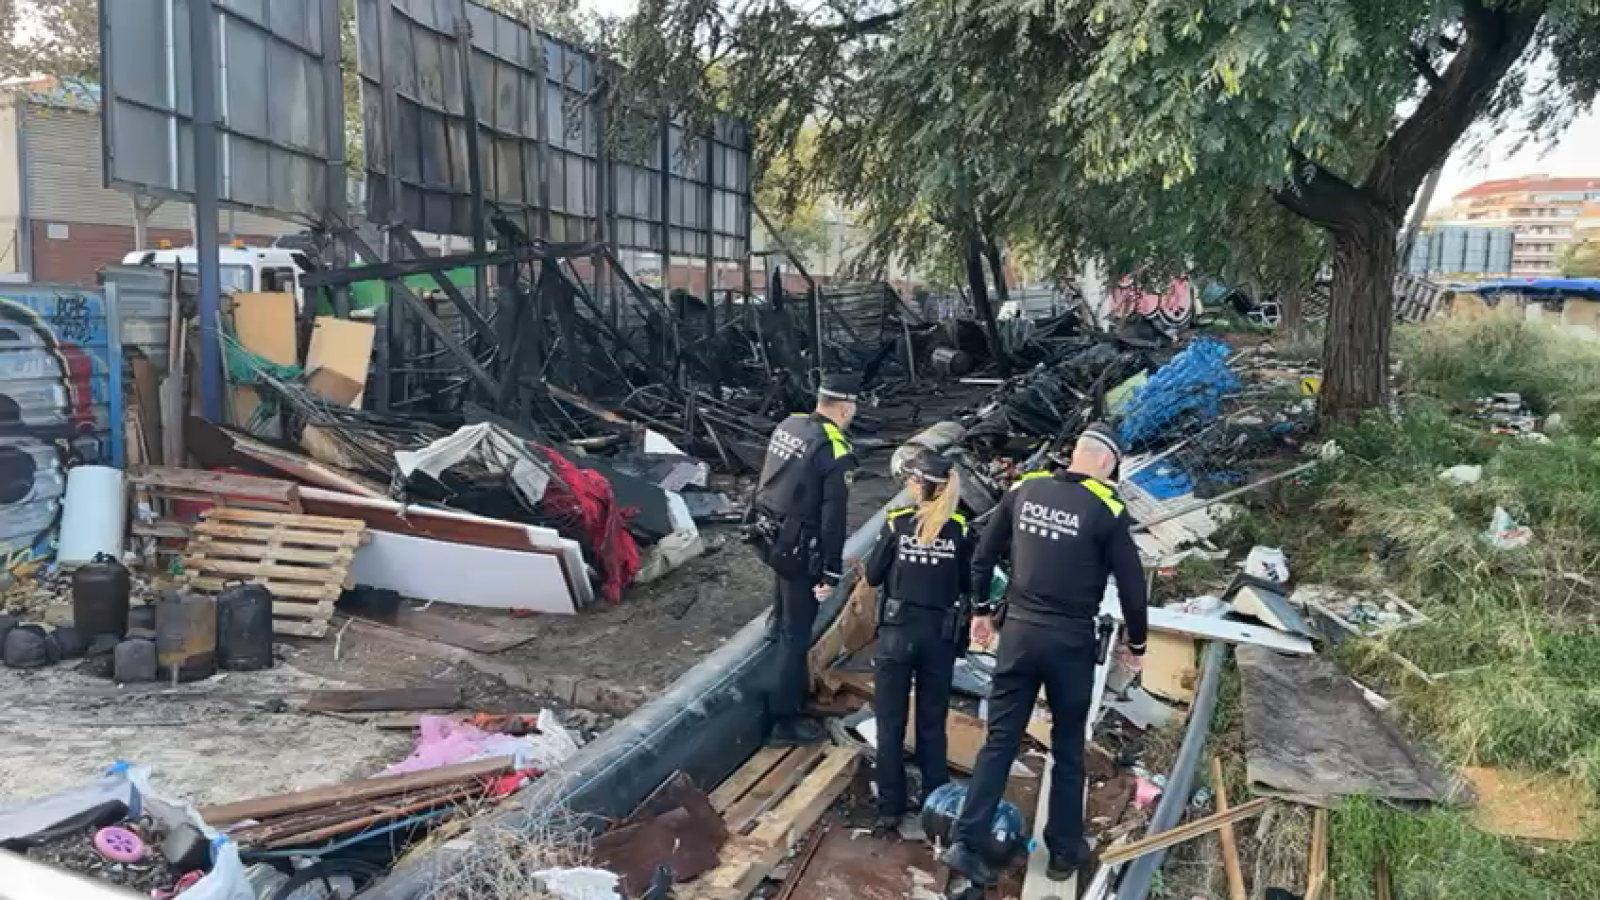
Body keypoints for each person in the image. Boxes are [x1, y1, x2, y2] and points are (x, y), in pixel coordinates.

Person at [942, 422, 1149, 886]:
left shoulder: (1024, 489)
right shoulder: (1107, 508)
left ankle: (967, 840)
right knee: (1068, 748)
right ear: (1105, 461)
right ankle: (1063, 852)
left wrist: (980, 611)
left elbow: (983, 555)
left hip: (1018, 633)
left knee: (1000, 740)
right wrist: (1137, 644)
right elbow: (1133, 590)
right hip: (1069, 644)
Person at [863, 450, 974, 832]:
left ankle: (889, 808)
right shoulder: (961, 530)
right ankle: (936, 805)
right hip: (939, 636)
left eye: (911, 479)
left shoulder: (897, 523)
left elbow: (873, 576)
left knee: (890, 723)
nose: (908, 485)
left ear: (921, 485)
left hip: (897, 634)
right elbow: (968, 583)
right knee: (932, 722)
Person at [751, 373, 860, 746]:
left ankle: (775, 630)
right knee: (797, 636)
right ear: (845, 407)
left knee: (783, 619)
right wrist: (830, 572)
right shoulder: (835, 450)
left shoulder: (791, 425)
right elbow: (833, 521)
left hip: (770, 536)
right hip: (800, 551)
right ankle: (783, 720)